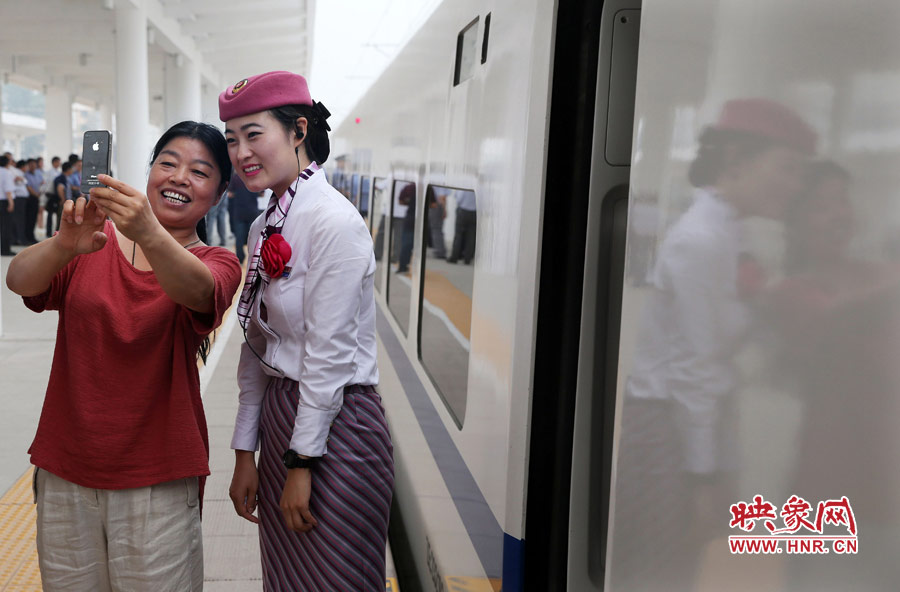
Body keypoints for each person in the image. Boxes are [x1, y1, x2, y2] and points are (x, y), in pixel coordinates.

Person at [5, 121, 243, 591]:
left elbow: (197, 291)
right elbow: (19, 281)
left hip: (157, 479)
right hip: (66, 469)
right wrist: (62, 245)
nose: (178, 177)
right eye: (167, 163)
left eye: (199, 172)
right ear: (149, 171)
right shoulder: (92, 242)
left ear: (218, 196)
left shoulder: (218, 262)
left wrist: (147, 230)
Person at [610, 98, 815, 591]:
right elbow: (695, 373)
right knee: (661, 568)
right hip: (668, 427)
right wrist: (704, 477)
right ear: (736, 162)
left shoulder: (731, 233)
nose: (796, 185)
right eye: (786, 168)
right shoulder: (702, 241)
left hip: (692, 420)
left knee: (679, 561)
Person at [220, 71, 393, 592]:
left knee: (335, 579)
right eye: (232, 139)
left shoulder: (333, 222)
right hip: (283, 418)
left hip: (340, 428)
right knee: (285, 580)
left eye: (254, 134)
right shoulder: (264, 222)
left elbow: (329, 356)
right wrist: (244, 451)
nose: (241, 152)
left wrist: (302, 464)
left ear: (298, 131)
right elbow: (256, 347)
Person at [226, 172, 262, 264]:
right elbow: (261, 194)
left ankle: (240, 259)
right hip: (253, 212)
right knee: (254, 238)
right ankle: (254, 260)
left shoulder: (236, 177)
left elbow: (230, 194)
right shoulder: (255, 177)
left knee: (239, 239)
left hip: (239, 212)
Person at [0, 155, 14, 255]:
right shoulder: (7, 173)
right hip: (5, 201)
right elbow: (8, 189)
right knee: (6, 226)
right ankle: (5, 249)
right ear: (8, 162)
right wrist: (11, 202)